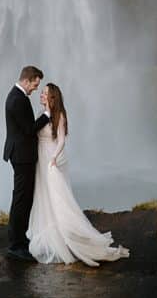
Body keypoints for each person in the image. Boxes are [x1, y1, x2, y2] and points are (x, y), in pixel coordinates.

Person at [26, 83, 130, 265]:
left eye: (44, 93)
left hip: (50, 158)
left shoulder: (60, 115)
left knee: (58, 197)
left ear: (52, 97)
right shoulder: (41, 114)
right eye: (41, 93)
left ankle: (69, 233)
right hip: (40, 159)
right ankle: (50, 230)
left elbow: (61, 141)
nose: (41, 95)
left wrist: (54, 158)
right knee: (43, 195)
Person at [3, 65, 51, 261]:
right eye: (35, 84)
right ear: (27, 80)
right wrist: (47, 115)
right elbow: (29, 130)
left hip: (21, 155)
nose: (35, 89)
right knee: (21, 199)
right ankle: (16, 245)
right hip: (22, 157)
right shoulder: (17, 100)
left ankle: (19, 239)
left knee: (22, 198)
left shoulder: (18, 97)